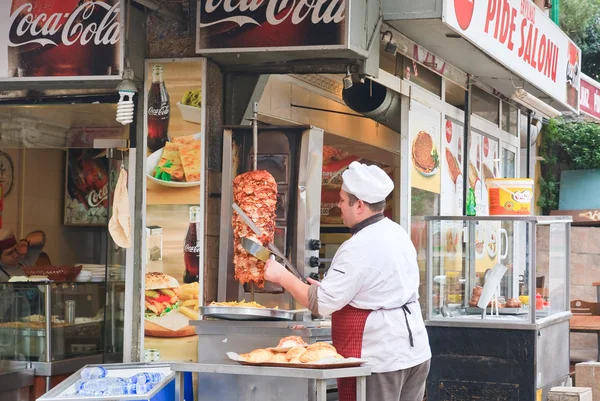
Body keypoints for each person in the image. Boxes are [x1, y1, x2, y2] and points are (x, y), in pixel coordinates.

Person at [265, 161, 431, 401]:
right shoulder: (397, 232)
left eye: (342, 200)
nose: (339, 205)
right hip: (415, 351)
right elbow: (379, 286)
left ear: (360, 205)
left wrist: (281, 276)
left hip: (382, 357)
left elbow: (321, 305)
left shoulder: (358, 246)